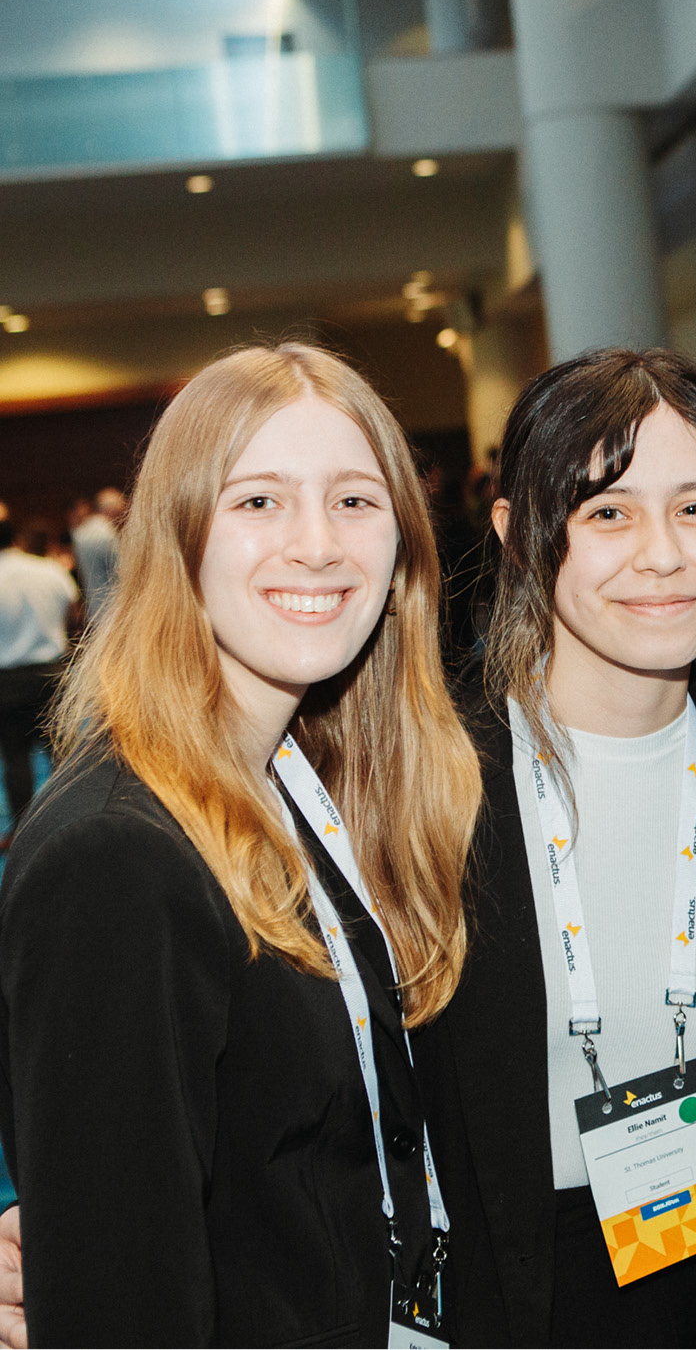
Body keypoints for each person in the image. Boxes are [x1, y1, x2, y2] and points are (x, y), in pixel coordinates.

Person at [0, 343, 480, 1345]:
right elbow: (122, 1306)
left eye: (355, 501)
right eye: (258, 501)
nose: (317, 545)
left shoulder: (298, 771)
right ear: (178, 537)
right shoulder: (117, 856)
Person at [412, 348, 696, 1347]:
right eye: (605, 512)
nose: (659, 555)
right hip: (523, 1286)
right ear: (520, 535)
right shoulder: (429, 788)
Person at [0, 513, 79, 835]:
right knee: (63, 753)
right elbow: (76, 613)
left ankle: (21, 831)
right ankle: (73, 820)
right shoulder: (48, 569)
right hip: (51, 672)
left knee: (16, 757)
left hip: (7, 679)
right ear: (17, 538)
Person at [70, 487, 126, 622]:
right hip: (114, 608)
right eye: (122, 512)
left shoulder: (81, 533)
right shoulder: (108, 536)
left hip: (94, 606)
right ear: (114, 511)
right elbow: (122, 573)